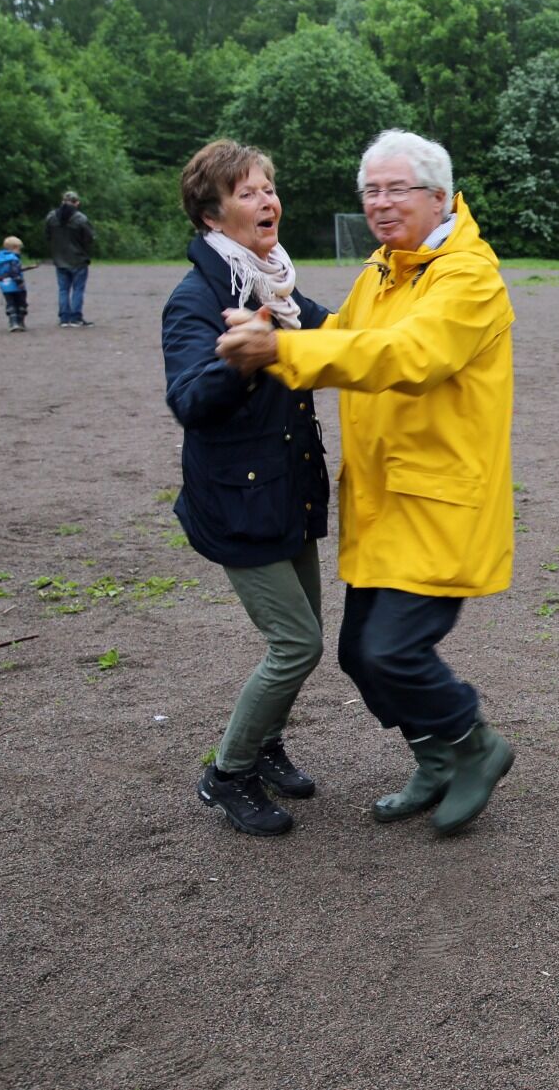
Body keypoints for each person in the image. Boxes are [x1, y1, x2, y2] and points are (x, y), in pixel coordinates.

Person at [215, 128, 517, 839]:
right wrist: (284, 317)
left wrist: (284, 350)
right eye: (370, 192)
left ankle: (475, 745)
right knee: (358, 653)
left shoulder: (467, 275)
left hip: (441, 502)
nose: (380, 205)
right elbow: (347, 332)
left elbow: (406, 354)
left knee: (392, 650)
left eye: (396, 190)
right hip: (386, 500)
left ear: (439, 196)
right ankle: (437, 757)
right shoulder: (386, 268)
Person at [162, 139, 333, 838]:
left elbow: (339, 338)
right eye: (247, 191)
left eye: (269, 187)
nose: (267, 200)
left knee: (308, 635)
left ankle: (266, 744)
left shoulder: (275, 286)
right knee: (296, 643)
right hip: (236, 502)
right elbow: (189, 399)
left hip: (285, 492)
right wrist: (243, 354)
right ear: (212, 215)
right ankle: (227, 772)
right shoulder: (197, 299)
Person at [45, 190, 94, 327]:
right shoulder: (80, 218)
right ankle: (76, 317)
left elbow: (48, 236)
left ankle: (64, 318)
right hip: (78, 259)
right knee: (78, 289)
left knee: (63, 289)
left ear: (62, 201)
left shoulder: (51, 217)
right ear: (76, 202)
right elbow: (89, 238)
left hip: (59, 259)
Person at [0, 235, 28, 332]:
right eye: (19, 249)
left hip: (5, 286)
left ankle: (13, 322)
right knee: (21, 303)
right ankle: (20, 322)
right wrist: (19, 282)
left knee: (10, 303)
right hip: (17, 286)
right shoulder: (14, 259)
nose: (20, 251)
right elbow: (15, 272)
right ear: (14, 248)